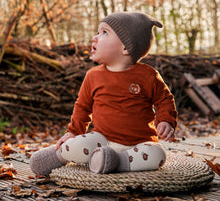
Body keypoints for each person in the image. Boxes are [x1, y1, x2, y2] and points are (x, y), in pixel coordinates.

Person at [30, 12, 177, 176]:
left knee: (157, 156)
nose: (95, 37)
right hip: (101, 140)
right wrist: (73, 132)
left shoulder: (148, 76)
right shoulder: (93, 76)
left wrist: (166, 120)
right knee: (78, 144)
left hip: (140, 143)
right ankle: (59, 155)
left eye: (104, 32)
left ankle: (117, 161)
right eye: (97, 32)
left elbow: (165, 99)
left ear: (126, 47)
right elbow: (82, 107)